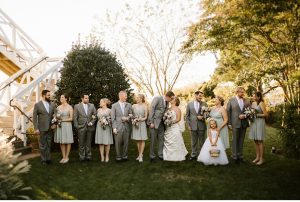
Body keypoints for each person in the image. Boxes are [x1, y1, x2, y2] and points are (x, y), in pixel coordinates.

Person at [148, 91, 175, 162]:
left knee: (161, 140)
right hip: (154, 123)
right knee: (153, 140)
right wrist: (151, 122)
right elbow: (152, 109)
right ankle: (152, 156)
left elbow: (165, 111)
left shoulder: (167, 102)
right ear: (168, 96)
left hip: (162, 124)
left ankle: (160, 155)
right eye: (171, 98)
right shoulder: (157, 98)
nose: (171, 100)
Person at [227, 86, 250, 163]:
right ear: (237, 92)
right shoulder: (231, 100)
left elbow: (250, 111)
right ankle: (234, 156)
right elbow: (228, 112)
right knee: (235, 140)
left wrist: (245, 115)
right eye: (242, 92)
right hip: (234, 123)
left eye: (244, 92)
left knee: (241, 140)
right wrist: (229, 123)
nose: (243, 93)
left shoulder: (246, 101)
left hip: (244, 123)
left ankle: (240, 156)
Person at [32, 89, 56, 165]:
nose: (50, 96)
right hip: (41, 128)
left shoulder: (52, 104)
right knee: (42, 144)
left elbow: (55, 114)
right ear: (43, 95)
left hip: (50, 128)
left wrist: (54, 123)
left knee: (49, 144)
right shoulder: (37, 105)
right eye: (48, 95)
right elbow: (34, 117)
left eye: (50, 95)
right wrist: (36, 128)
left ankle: (48, 159)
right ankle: (43, 160)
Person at [163, 97, 188, 161]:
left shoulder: (177, 109)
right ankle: (167, 155)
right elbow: (166, 117)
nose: (171, 99)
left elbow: (178, 119)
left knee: (176, 140)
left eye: (173, 99)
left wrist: (171, 122)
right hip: (169, 127)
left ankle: (177, 155)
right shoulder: (168, 108)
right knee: (168, 140)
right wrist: (166, 120)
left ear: (175, 101)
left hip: (174, 127)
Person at [73, 94, 97, 161]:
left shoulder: (92, 106)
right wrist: (77, 127)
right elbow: (75, 118)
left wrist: (92, 122)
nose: (87, 99)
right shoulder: (77, 106)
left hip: (90, 127)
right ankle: (82, 157)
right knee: (81, 143)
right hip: (81, 127)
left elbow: (95, 115)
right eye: (86, 98)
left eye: (88, 98)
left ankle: (88, 156)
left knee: (88, 143)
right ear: (82, 99)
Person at [185, 91, 208, 160]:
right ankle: (193, 154)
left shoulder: (204, 104)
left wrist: (203, 117)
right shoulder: (189, 104)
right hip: (192, 126)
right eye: (199, 96)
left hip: (201, 125)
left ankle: (202, 155)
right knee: (193, 141)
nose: (201, 97)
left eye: (201, 96)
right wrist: (188, 125)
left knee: (202, 141)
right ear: (195, 95)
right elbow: (187, 116)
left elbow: (207, 114)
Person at [111, 91, 133, 162]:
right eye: (125, 96)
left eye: (126, 96)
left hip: (127, 126)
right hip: (118, 127)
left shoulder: (129, 105)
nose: (126, 97)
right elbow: (113, 118)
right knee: (117, 143)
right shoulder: (114, 105)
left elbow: (131, 114)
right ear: (120, 96)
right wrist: (114, 128)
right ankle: (118, 157)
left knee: (126, 143)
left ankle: (125, 156)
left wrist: (127, 118)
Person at [54, 94, 74, 164]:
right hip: (60, 126)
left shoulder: (70, 107)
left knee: (68, 141)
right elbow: (56, 116)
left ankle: (67, 157)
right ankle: (63, 157)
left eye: (62, 97)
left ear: (66, 98)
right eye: (60, 97)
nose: (61, 98)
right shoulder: (58, 107)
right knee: (62, 141)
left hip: (67, 125)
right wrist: (56, 119)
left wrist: (62, 120)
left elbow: (71, 118)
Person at [249, 91, 268, 165]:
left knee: (260, 141)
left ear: (259, 97)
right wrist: (250, 114)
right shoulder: (253, 103)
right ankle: (257, 157)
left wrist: (256, 114)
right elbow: (251, 112)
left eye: (254, 96)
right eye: (253, 96)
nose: (253, 97)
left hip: (260, 123)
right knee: (255, 140)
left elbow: (266, 114)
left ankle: (262, 159)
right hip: (254, 122)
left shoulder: (261, 103)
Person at [95, 98, 113, 162]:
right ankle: (102, 156)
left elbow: (111, 120)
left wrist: (106, 121)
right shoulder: (98, 110)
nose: (100, 103)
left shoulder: (109, 110)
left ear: (105, 103)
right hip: (99, 127)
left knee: (107, 142)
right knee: (101, 142)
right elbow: (97, 118)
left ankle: (107, 156)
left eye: (101, 102)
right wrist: (101, 121)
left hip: (107, 127)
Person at [131, 94, 148, 163]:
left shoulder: (145, 106)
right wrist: (134, 119)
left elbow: (146, 117)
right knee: (138, 140)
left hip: (142, 124)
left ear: (141, 99)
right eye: (137, 98)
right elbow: (131, 114)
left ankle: (140, 156)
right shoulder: (133, 106)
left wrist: (141, 119)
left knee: (142, 139)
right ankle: (140, 154)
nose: (137, 99)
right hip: (136, 124)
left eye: (138, 98)